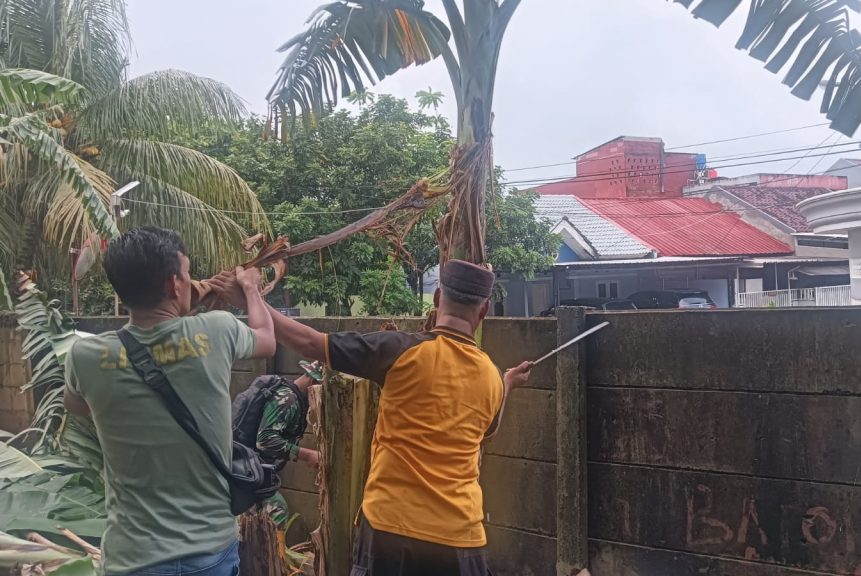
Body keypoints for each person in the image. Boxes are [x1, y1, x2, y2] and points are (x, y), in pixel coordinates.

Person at [213, 259, 533, 576]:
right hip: (462, 539)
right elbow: (488, 431)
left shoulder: (400, 350)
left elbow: (311, 342)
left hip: (391, 528)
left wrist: (250, 297)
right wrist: (507, 384)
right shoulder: (490, 376)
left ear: (437, 299)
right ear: (485, 310)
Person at [63, 227, 276, 576]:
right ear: (171, 285)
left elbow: (77, 406)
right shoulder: (217, 331)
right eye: (187, 273)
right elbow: (267, 340)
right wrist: (251, 289)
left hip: (132, 559)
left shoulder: (86, 356)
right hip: (210, 553)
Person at [237, 361, 323, 531]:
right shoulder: (288, 400)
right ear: (314, 384)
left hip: (251, 469)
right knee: (277, 510)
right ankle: (271, 556)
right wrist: (307, 455)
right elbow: (265, 441)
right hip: (245, 469)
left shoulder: (291, 397)